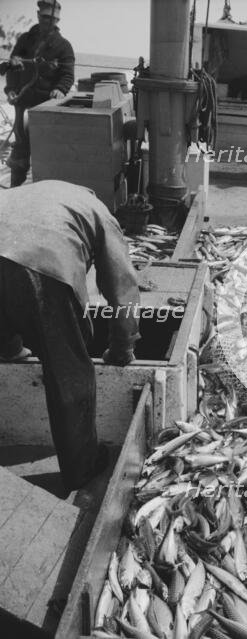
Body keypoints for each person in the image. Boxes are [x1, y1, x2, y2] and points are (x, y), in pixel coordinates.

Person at [0, 181, 141, 490]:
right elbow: (123, 286)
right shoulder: (99, 213)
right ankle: (82, 468)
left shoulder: (35, 192)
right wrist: (122, 346)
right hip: (42, 264)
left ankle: (7, 350)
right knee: (69, 370)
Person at [2, 0, 74, 187]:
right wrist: (10, 90)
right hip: (22, 103)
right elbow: (12, 67)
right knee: (20, 149)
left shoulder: (64, 46)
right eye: (46, 18)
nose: (50, 23)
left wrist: (60, 89)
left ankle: (43, 193)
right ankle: (15, 190)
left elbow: (67, 75)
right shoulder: (25, 40)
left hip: (45, 107)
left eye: (54, 20)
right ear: (38, 16)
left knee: (47, 151)